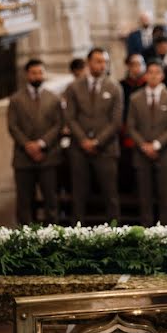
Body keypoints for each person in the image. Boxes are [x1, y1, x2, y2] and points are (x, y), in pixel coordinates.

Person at [63, 48, 123, 223]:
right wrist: (83, 140)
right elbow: (70, 117)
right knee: (79, 194)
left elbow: (116, 121)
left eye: (105, 62)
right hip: (79, 149)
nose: (102, 65)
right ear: (89, 63)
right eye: (98, 61)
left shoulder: (114, 87)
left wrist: (97, 142)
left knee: (110, 195)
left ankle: (115, 233)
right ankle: (77, 234)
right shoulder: (74, 87)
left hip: (106, 148)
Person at [126, 61, 167, 226]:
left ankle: (164, 232)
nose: (153, 76)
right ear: (146, 75)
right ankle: (146, 233)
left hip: (165, 153)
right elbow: (131, 126)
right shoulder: (135, 98)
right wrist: (144, 145)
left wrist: (157, 145)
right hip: (141, 153)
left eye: (157, 72)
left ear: (162, 75)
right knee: (144, 197)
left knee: (165, 197)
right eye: (150, 72)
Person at [7, 58, 62, 224]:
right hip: (23, 157)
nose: (37, 76)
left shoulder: (53, 98)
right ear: (27, 75)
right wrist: (28, 145)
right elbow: (13, 126)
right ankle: (25, 237)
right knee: (24, 201)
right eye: (34, 73)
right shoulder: (16, 99)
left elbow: (58, 124)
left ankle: (53, 235)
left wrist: (41, 144)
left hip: (48, 156)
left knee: (51, 199)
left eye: (40, 72)